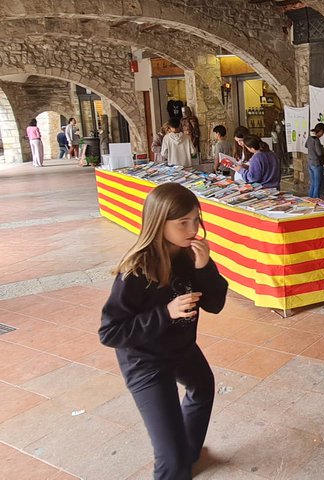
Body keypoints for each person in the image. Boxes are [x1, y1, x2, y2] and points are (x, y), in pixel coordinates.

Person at [99, 182, 229, 479]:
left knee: (203, 386)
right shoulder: (136, 270)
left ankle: (190, 452)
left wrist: (205, 267)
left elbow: (216, 304)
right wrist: (165, 313)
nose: (192, 229)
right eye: (183, 222)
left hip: (181, 348)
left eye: (196, 220)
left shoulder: (190, 255)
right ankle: (178, 459)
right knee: (170, 462)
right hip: (144, 361)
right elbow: (110, 333)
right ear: (159, 223)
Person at [305, 122, 324, 198]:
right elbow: (319, 153)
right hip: (317, 164)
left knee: (312, 183)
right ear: (321, 131)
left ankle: (310, 199)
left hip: (310, 163)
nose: (322, 135)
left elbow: (306, 145)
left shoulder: (310, 137)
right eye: (323, 133)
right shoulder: (316, 140)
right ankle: (315, 199)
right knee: (317, 185)